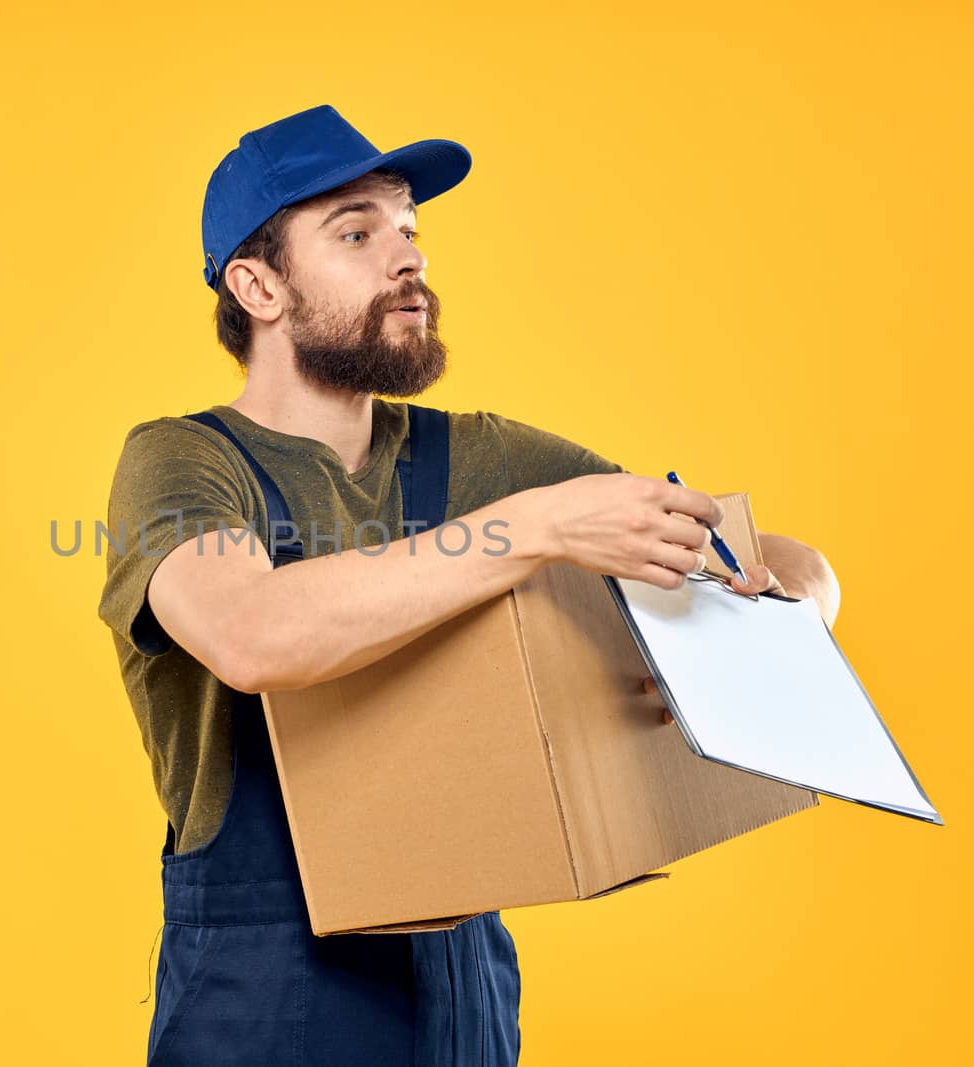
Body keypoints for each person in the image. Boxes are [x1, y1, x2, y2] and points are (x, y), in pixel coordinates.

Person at [97, 104, 839, 1067]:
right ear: (258, 285)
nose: (407, 260)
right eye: (357, 233)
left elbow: (786, 566)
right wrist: (534, 528)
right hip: (261, 1000)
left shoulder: (477, 456)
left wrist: (736, 639)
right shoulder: (183, 462)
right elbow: (254, 636)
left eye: (409, 231)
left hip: (465, 998)